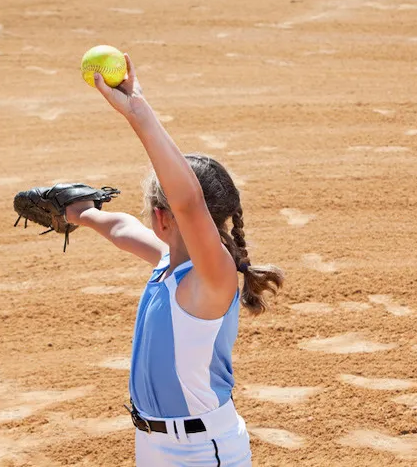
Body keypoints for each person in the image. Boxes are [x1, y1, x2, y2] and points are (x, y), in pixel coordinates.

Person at [64, 54, 284, 466]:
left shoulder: (213, 279)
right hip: (152, 444)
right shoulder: (168, 263)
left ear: (163, 217)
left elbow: (187, 201)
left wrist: (138, 114)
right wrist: (79, 213)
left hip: (202, 453)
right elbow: (121, 228)